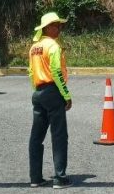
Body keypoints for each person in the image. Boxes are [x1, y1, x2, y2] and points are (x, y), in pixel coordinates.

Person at [28, 12, 72, 190]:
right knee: (59, 135)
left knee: (36, 137)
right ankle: (60, 178)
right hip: (53, 92)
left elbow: (31, 72)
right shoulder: (53, 46)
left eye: (59, 25)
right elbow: (56, 71)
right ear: (46, 28)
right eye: (55, 25)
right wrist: (66, 95)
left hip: (38, 93)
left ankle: (35, 178)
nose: (59, 28)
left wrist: (38, 91)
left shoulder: (34, 47)